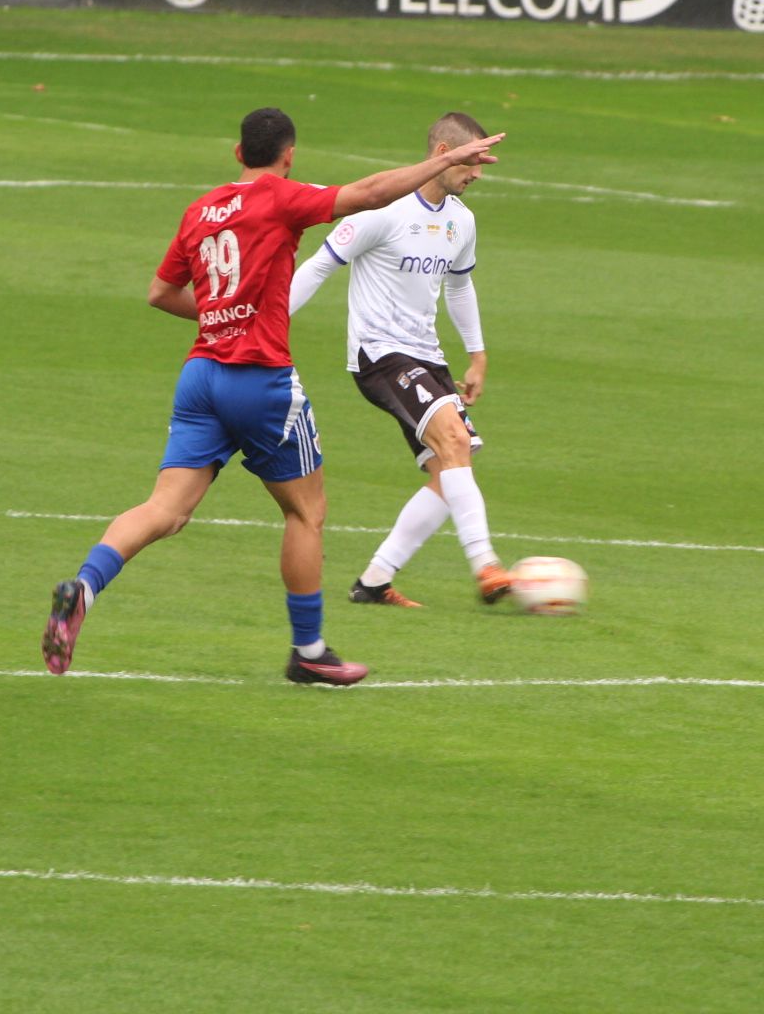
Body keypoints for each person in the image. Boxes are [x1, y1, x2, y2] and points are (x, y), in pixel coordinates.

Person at [40, 107, 504, 686]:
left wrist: (219, 314)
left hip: (201, 375)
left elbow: (161, 292)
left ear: (237, 154)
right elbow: (367, 193)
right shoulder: (282, 197)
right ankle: (309, 651)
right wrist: (448, 159)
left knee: (166, 510)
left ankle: (84, 584)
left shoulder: (200, 209)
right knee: (306, 512)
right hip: (260, 381)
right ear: (288, 157)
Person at [287, 111, 512, 608]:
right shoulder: (380, 211)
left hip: (427, 358)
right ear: (442, 154)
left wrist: (477, 355)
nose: (478, 173)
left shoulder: (461, 220)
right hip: (380, 356)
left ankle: (374, 581)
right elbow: (319, 265)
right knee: (454, 439)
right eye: (473, 161)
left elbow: (459, 284)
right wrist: (267, 321)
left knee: (448, 467)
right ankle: (486, 564)